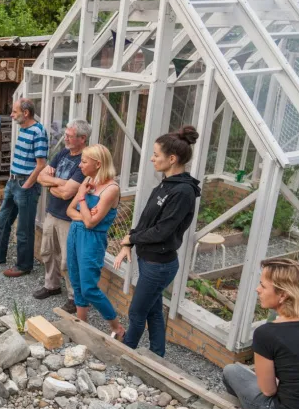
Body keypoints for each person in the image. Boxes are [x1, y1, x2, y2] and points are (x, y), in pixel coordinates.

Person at [114, 125, 201, 357]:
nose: (152, 159)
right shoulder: (166, 184)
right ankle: (157, 355)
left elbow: (162, 231)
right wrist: (129, 242)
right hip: (149, 260)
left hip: (159, 265)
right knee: (153, 311)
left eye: (156, 155)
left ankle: (126, 351)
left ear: (172, 159)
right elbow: (147, 220)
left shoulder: (183, 192)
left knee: (136, 312)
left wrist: (131, 237)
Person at [222, 259, 299, 409]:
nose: (257, 289)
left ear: (283, 295)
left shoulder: (267, 334)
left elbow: (268, 391)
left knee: (231, 371)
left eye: (263, 285)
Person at [0, 98, 47, 277]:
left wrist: (26, 185)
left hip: (26, 186)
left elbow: (41, 164)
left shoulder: (38, 132)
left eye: (14, 112)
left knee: (24, 230)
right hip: (13, 182)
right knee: (1, 222)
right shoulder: (23, 129)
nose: (11, 115)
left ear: (26, 113)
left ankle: (24, 266)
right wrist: (12, 181)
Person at [65, 144, 125, 339]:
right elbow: (70, 211)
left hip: (92, 240)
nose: (80, 165)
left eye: (84, 161)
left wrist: (82, 198)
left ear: (98, 164)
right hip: (75, 233)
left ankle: (117, 328)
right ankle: (82, 326)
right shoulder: (89, 179)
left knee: (89, 287)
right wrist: (85, 215)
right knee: (76, 282)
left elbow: (91, 223)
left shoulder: (111, 189)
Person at [33, 119, 90, 304]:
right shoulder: (64, 152)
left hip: (69, 218)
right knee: (47, 251)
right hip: (52, 212)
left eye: (69, 136)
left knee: (67, 259)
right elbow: (41, 176)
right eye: (65, 134)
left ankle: (75, 296)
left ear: (82, 138)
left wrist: (52, 183)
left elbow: (68, 194)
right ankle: (52, 286)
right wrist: (58, 184)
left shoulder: (85, 161)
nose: (65, 138)